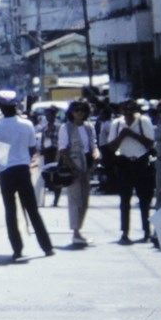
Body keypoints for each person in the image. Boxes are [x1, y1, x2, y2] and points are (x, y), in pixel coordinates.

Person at [0, 91, 54, 259]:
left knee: (10, 212)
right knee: (32, 210)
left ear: (0, 107)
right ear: (16, 106)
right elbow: (32, 149)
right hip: (22, 170)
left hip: (5, 172)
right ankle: (47, 247)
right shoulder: (27, 125)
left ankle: (17, 249)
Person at [104, 101, 156, 244]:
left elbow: (150, 143)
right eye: (125, 111)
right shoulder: (117, 123)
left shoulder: (143, 121)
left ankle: (146, 230)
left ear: (136, 110)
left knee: (144, 199)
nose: (127, 114)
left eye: (130, 110)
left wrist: (132, 134)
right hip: (124, 162)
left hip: (141, 161)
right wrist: (121, 136)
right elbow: (111, 147)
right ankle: (125, 231)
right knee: (124, 199)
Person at [58, 101, 98, 246]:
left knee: (85, 200)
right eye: (76, 110)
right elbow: (63, 150)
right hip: (73, 166)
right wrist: (73, 168)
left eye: (82, 110)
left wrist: (96, 156)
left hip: (87, 165)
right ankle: (75, 232)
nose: (79, 113)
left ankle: (79, 230)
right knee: (75, 199)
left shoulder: (89, 127)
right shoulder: (65, 128)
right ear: (71, 112)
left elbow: (93, 145)